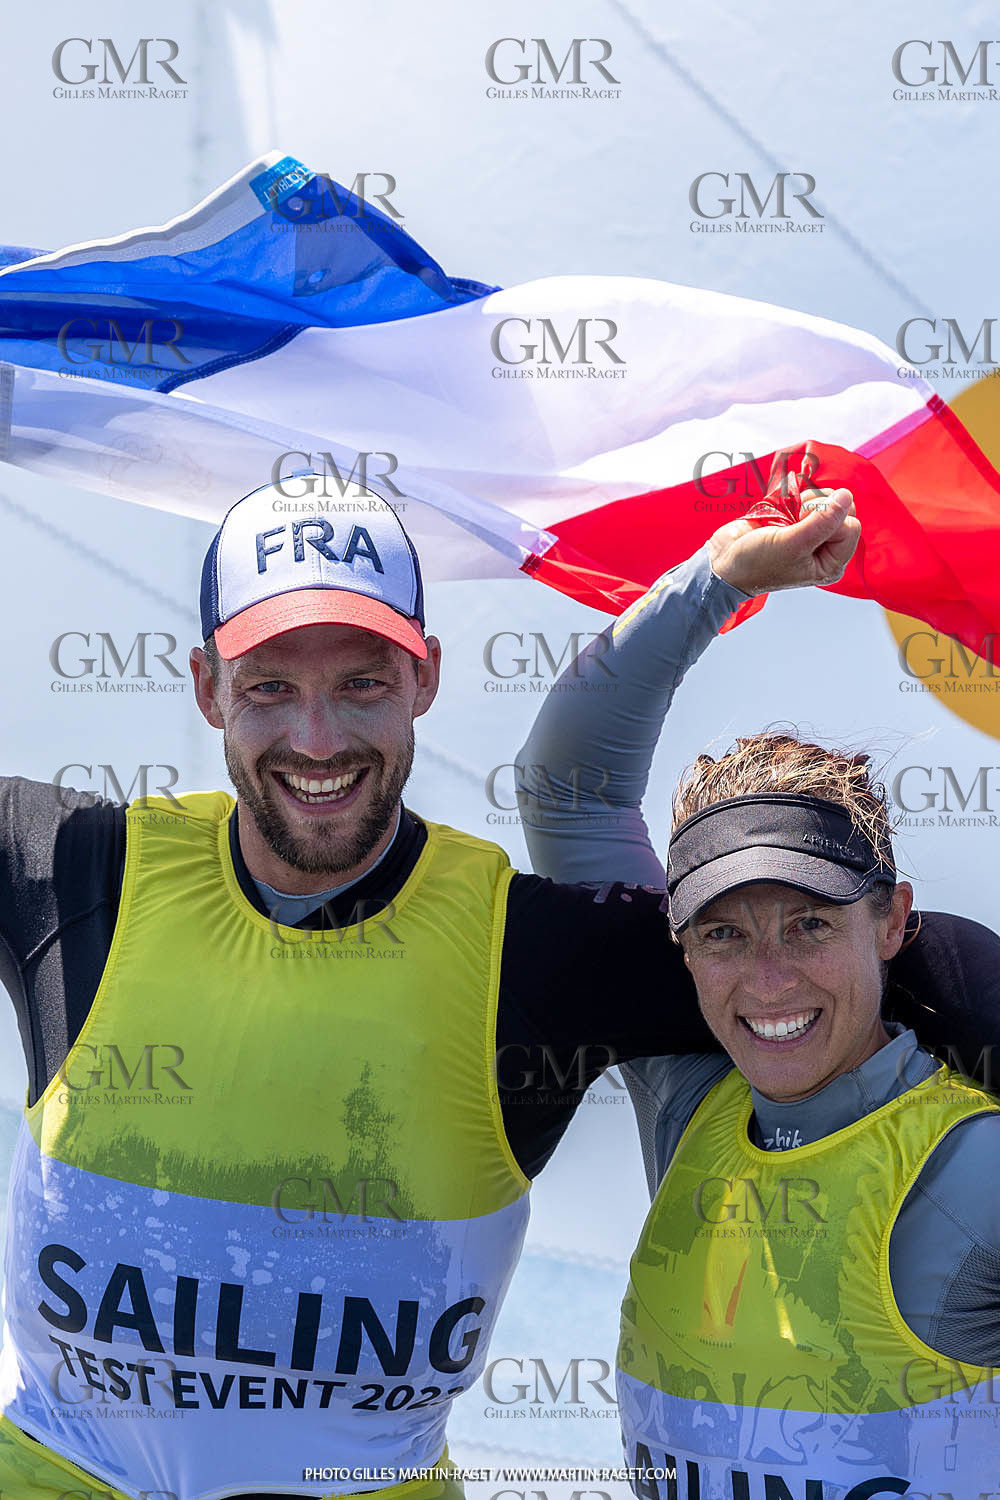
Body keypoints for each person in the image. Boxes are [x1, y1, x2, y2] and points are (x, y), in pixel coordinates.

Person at [0, 479, 992, 1500]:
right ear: (207, 687)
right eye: (267, 688)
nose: (316, 737)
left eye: (362, 682)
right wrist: (713, 579)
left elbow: (821, 947)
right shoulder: (68, 868)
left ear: (424, 677)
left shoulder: (537, 948)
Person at [517, 484, 1000, 1494]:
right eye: (724, 934)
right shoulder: (684, 1100)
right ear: (681, 949)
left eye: (810, 924)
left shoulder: (972, 1171)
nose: (767, 979)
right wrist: (718, 579)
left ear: (891, 920)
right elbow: (567, 786)